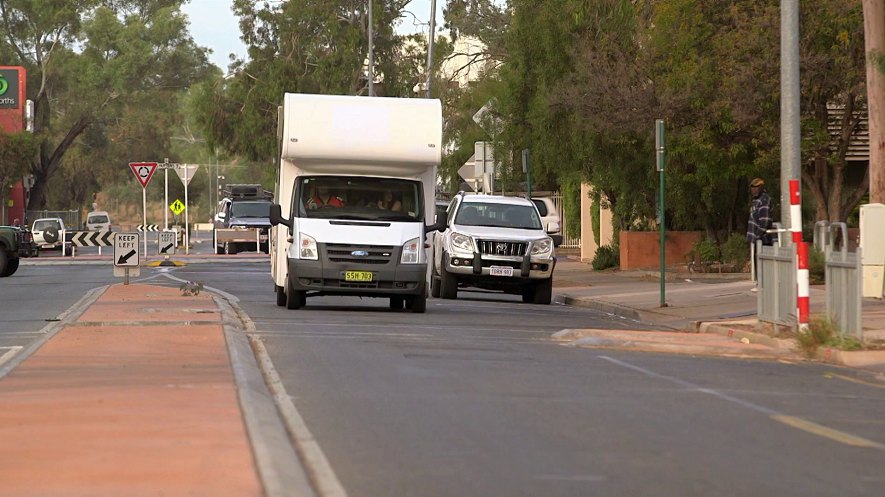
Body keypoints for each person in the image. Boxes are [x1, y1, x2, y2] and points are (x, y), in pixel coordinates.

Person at [747, 177, 773, 288]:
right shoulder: (755, 200)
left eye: (756, 187)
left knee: (763, 262)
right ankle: (760, 283)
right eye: (752, 187)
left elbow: (765, 221)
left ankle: (764, 284)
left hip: (764, 239)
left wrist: (758, 235)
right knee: (757, 261)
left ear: (761, 187)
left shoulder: (764, 199)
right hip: (757, 238)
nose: (754, 189)